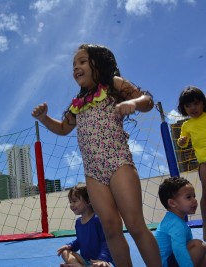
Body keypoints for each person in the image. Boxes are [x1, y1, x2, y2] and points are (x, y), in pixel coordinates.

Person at [32, 44, 161, 267]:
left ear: (98, 63)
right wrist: (44, 118)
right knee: (110, 228)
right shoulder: (78, 103)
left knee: (135, 224)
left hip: (118, 162)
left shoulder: (113, 84)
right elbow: (63, 128)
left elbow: (147, 102)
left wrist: (132, 102)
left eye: (82, 62)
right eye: (73, 65)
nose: (76, 68)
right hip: (93, 172)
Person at [57, 184, 113, 267]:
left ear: (89, 200)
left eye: (75, 201)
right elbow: (79, 241)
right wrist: (70, 246)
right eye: (70, 202)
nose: (71, 205)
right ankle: (78, 265)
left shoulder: (97, 219)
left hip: (99, 262)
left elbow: (107, 242)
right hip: (85, 261)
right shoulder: (78, 222)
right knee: (65, 252)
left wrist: (102, 259)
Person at [155, 177, 206, 267]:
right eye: (188, 197)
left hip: (170, 260)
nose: (194, 200)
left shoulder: (172, 220)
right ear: (172, 203)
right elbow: (179, 250)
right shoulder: (176, 224)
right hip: (167, 263)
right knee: (198, 245)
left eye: (194, 196)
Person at [176, 86, 206, 241]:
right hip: (204, 163)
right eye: (188, 105)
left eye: (196, 103)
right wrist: (182, 141)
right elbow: (182, 141)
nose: (193, 108)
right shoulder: (186, 125)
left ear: (202, 103)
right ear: (183, 108)